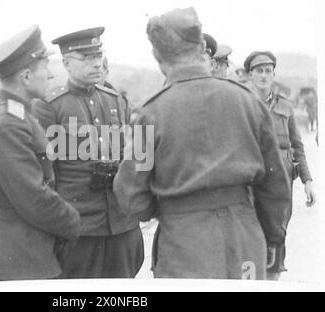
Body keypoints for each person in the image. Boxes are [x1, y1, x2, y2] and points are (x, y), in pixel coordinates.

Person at [114, 7, 291, 280]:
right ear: (201, 50)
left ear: (158, 57)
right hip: (244, 238)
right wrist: (273, 237)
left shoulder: (150, 113)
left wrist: (167, 208)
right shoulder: (247, 101)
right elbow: (275, 183)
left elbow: (130, 194)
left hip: (184, 244)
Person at [33, 27, 144, 278]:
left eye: (98, 56)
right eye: (87, 58)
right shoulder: (50, 107)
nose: (96, 64)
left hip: (122, 226)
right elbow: (45, 175)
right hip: (80, 230)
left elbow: (134, 158)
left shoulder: (116, 100)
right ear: (67, 63)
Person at [0, 25, 81, 281]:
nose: (51, 75)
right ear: (25, 77)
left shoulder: (18, 114)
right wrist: (73, 221)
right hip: (21, 265)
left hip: (24, 256)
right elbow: (33, 196)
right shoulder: (7, 123)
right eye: (45, 69)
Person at [245, 50, 316, 280]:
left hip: (281, 186)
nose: (264, 76)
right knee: (250, 236)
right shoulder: (243, 104)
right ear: (250, 75)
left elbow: (297, 146)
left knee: (277, 235)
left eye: (268, 71)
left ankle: (273, 278)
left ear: (274, 75)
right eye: (259, 71)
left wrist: (308, 180)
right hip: (251, 184)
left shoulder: (285, 107)